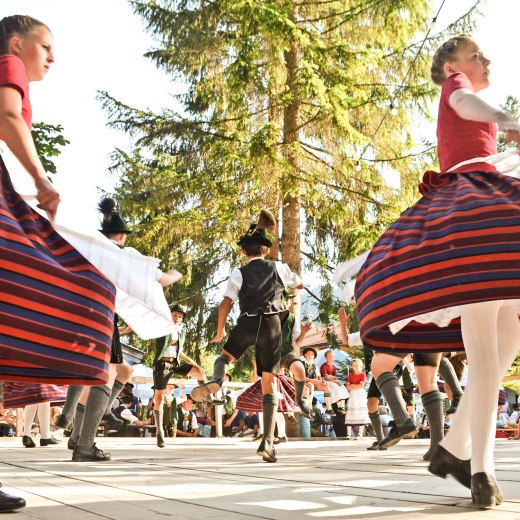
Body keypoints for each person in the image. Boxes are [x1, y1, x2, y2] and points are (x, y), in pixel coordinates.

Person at [353, 34, 520, 509]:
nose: (484, 58)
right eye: (474, 54)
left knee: (509, 334)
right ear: (450, 65)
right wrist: (509, 120)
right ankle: (482, 469)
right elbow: (467, 104)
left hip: (486, 197)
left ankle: (451, 450)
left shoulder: (468, 93)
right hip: (472, 211)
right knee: (487, 350)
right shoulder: (457, 84)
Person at [0, 15, 118, 511]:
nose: (52, 57)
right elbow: (7, 119)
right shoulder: (8, 64)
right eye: (45, 46)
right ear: (17, 43)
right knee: (87, 289)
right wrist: (43, 181)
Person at [191, 209, 303, 463]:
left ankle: (218, 381)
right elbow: (300, 284)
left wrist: (220, 331)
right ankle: (267, 442)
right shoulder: (278, 267)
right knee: (269, 383)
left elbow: (225, 303)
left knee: (226, 356)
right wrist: (290, 280)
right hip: (272, 326)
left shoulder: (238, 273)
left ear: (243, 251)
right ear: (266, 249)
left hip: (248, 321)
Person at [152, 304, 206, 447]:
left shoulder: (179, 333)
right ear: (169, 315)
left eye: (180, 316)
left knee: (199, 372)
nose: (177, 318)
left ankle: (210, 398)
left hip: (175, 363)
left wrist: (195, 363)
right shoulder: (162, 327)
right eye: (175, 315)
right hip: (162, 365)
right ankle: (159, 433)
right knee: (159, 399)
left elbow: (179, 352)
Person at [344, 358, 369, 439]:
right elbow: (347, 387)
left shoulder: (363, 375)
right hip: (352, 395)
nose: (355, 367)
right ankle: (348, 434)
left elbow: (361, 386)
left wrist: (352, 386)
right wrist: (355, 386)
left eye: (357, 366)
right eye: (354, 366)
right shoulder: (350, 375)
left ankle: (360, 434)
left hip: (360, 395)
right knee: (351, 412)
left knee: (360, 412)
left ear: (361, 366)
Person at [319, 350, 349, 415]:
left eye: (332, 356)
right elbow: (326, 377)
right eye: (329, 356)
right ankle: (330, 404)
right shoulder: (323, 366)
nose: (331, 358)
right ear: (326, 357)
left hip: (332, 381)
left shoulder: (333, 367)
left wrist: (332, 377)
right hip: (326, 381)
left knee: (342, 387)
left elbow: (335, 377)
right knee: (336, 388)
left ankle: (341, 406)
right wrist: (333, 379)